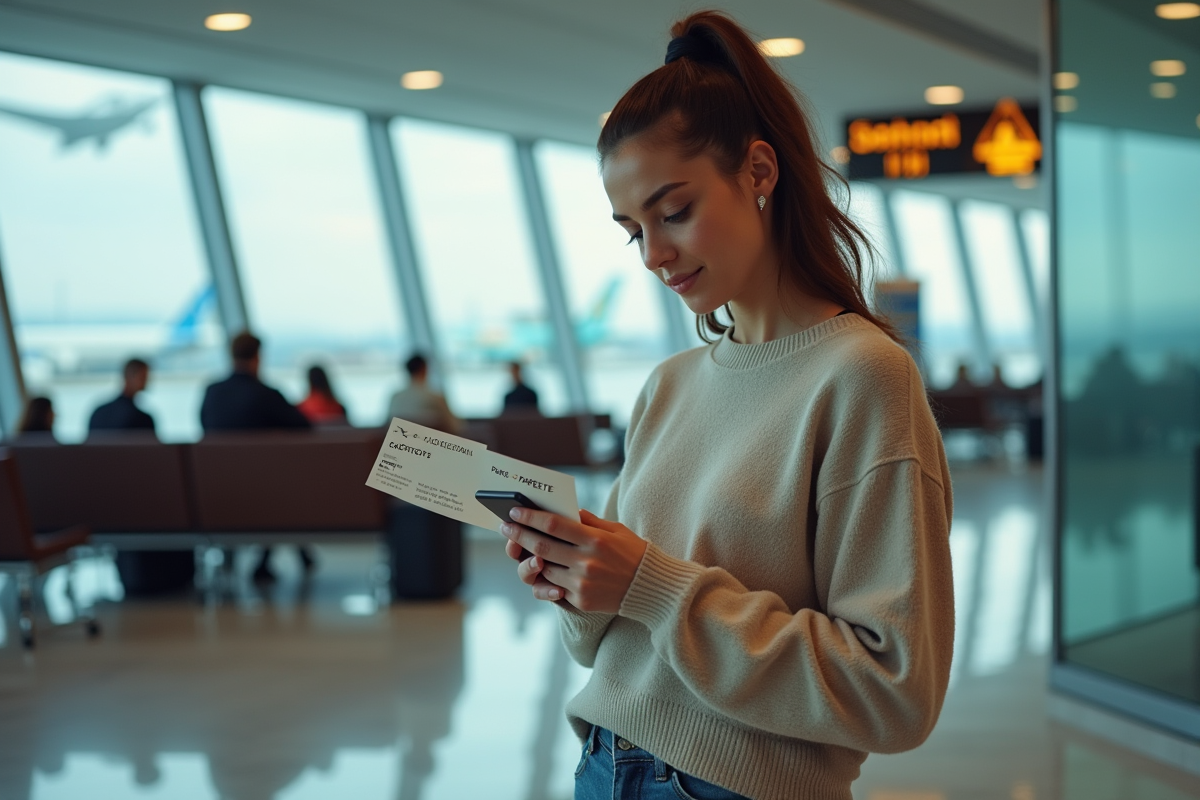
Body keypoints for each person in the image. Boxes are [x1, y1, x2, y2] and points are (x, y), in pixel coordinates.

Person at [498, 13, 954, 800]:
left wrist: (647, 585)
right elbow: (605, 643)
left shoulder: (864, 376)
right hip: (603, 764)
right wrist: (575, 580)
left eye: (673, 212)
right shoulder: (668, 386)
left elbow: (894, 692)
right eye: (632, 230)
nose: (654, 255)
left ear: (759, 172)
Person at [200, 331, 314, 582]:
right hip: (262, 488)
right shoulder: (266, 394)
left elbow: (205, 427)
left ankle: (233, 554)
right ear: (258, 357)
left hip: (218, 484)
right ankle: (271, 559)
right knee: (280, 487)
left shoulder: (212, 392)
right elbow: (303, 427)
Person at [387, 354, 461, 434]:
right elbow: (455, 426)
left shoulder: (395, 397)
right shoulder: (435, 398)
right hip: (431, 445)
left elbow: (388, 425)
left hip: (399, 444)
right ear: (424, 369)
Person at [88, 358, 156, 435]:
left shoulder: (99, 413)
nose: (147, 380)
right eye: (143, 376)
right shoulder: (143, 419)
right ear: (131, 376)